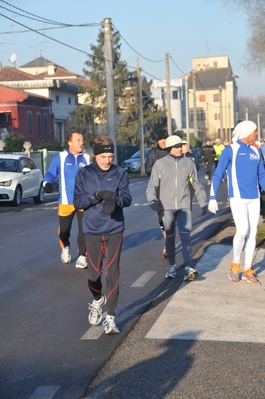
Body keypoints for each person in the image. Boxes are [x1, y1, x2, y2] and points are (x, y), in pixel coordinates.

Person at [73, 135, 132, 335]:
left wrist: (116, 200)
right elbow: (78, 203)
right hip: (92, 230)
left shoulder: (120, 173)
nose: (107, 160)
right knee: (93, 274)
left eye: (111, 156)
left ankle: (111, 318)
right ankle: (98, 299)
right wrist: (96, 196)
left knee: (112, 273)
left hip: (115, 229)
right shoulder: (83, 174)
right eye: (104, 156)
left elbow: (127, 197)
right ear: (95, 156)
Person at [208, 120, 265, 283]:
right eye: (255, 131)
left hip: (254, 198)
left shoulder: (256, 150)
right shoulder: (230, 150)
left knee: (253, 232)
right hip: (238, 197)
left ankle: (248, 268)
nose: (257, 134)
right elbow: (218, 174)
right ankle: (235, 264)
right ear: (248, 132)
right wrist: (213, 197)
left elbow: (262, 175)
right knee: (243, 230)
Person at [146, 135, 207, 281]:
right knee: (170, 239)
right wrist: (152, 200)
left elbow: (196, 184)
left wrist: (203, 202)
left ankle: (188, 267)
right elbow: (151, 186)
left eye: (181, 146)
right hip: (167, 208)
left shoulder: (189, 163)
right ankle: (172, 266)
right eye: (177, 146)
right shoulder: (160, 164)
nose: (180, 148)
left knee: (186, 237)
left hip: (184, 206)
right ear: (169, 149)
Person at [43, 132, 90, 268]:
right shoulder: (61, 157)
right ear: (69, 142)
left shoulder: (86, 158)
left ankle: (82, 256)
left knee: (84, 230)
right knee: (64, 231)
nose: (81, 142)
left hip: (83, 200)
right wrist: (47, 183)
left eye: (82, 140)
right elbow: (51, 173)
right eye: (78, 140)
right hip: (65, 201)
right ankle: (66, 246)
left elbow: (95, 175)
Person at [145, 128, 169, 258]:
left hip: (172, 190)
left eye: (165, 138)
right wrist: (157, 172)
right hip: (158, 190)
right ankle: (167, 240)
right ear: (157, 141)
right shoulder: (152, 153)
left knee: (171, 217)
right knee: (162, 219)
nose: (163, 141)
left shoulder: (172, 151)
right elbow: (148, 168)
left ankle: (168, 244)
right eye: (160, 139)